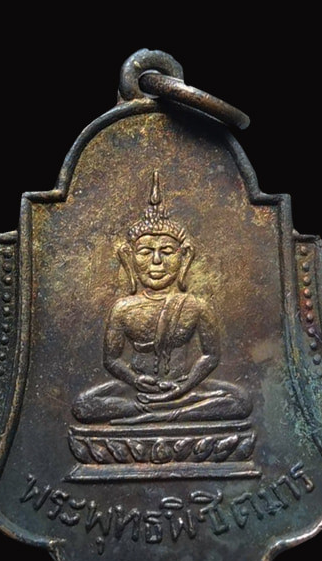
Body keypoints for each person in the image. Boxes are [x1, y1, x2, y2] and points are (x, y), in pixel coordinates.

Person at [72, 172, 252, 425]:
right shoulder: (123, 308)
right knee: (83, 405)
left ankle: (166, 412)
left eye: (167, 251)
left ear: (183, 256)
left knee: (240, 401)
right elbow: (111, 359)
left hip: (183, 388)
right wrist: (136, 380)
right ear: (130, 257)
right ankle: (163, 412)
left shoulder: (196, 306)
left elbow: (211, 355)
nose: (156, 261)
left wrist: (184, 387)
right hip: (138, 389)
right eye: (146, 252)